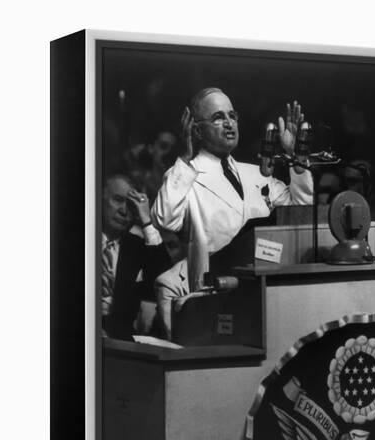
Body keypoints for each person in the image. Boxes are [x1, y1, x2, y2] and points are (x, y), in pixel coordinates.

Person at [152, 88, 314, 337]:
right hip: (217, 302)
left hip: (268, 296)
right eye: (218, 117)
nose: (229, 124)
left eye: (232, 115)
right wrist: (184, 157)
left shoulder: (258, 174)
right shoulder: (187, 175)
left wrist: (296, 158)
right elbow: (164, 217)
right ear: (197, 130)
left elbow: (300, 213)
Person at [102, 174, 171, 339]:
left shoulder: (136, 247)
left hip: (119, 344)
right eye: (118, 200)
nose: (124, 211)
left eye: (131, 206)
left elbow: (167, 281)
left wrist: (147, 221)